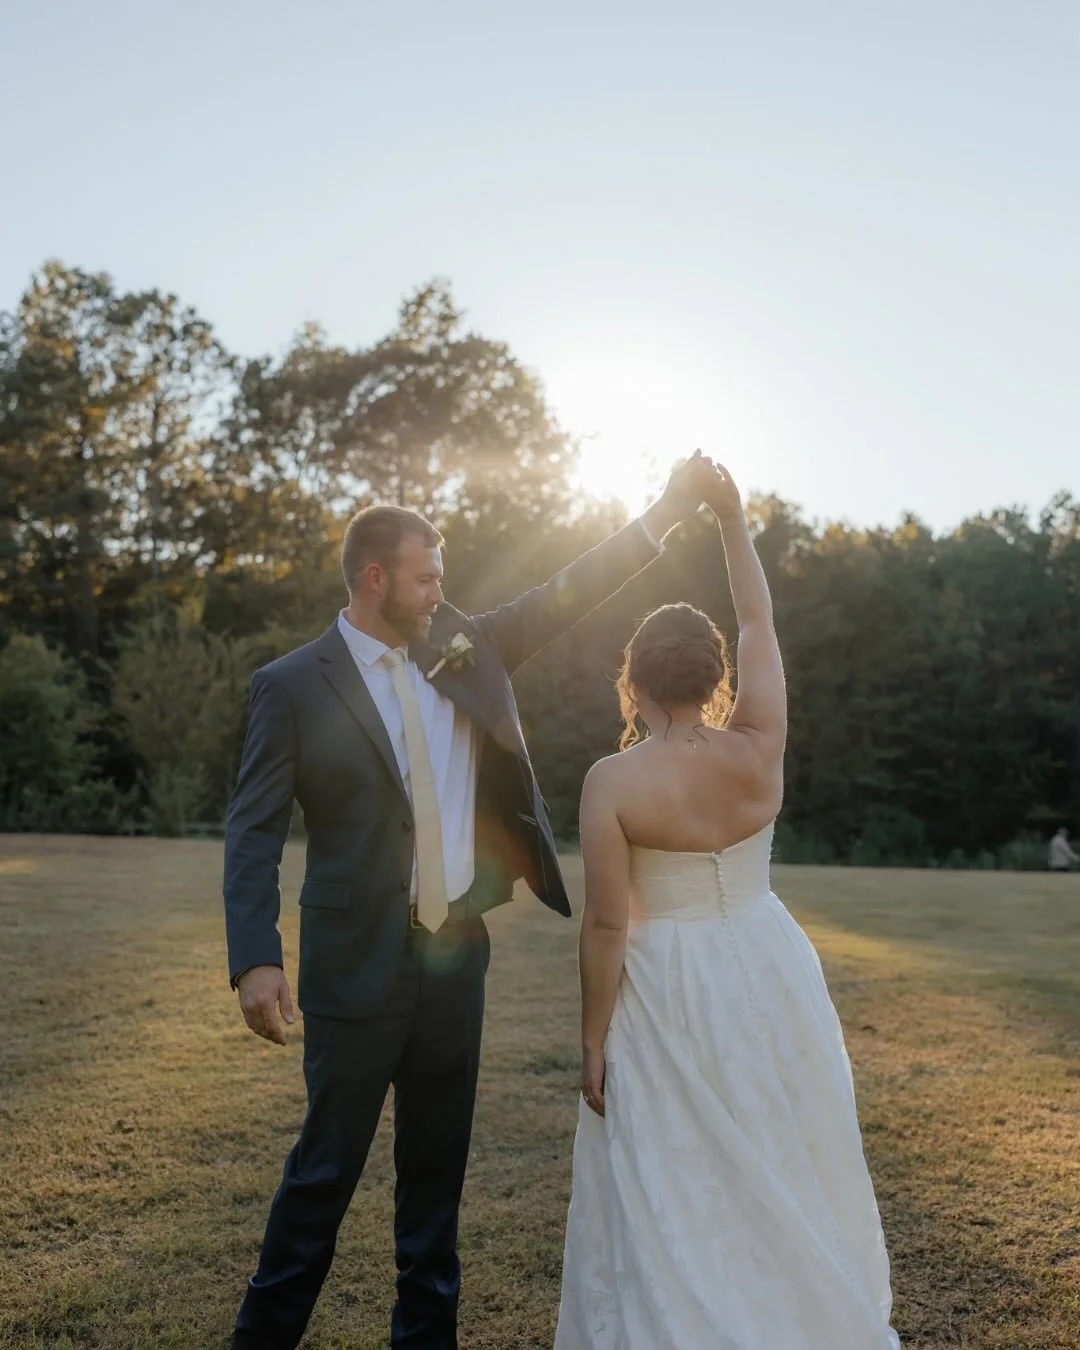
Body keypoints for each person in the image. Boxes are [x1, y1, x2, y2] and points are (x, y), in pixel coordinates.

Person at [222, 456, 715, 1350]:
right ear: (376, 579)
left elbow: (573, 589)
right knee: (322, 1174)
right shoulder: (291, 686)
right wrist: (256, 957)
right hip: (352, 964)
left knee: (436, 1180)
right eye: (426, 574)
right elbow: (252, 831)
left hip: (456, 959)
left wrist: (665, 515)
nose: (440, 587)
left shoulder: (467, 648)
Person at [555, 462, 901, 1349]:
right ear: (715, 676)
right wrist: (732, 519)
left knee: (679, 1167)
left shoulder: (612, 781)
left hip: (669, 984)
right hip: (770, 958)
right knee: (782, 1143)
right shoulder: (760, 743)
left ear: (633, 681)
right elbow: (759, 618)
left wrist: (593, 1040)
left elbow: (603, 923)